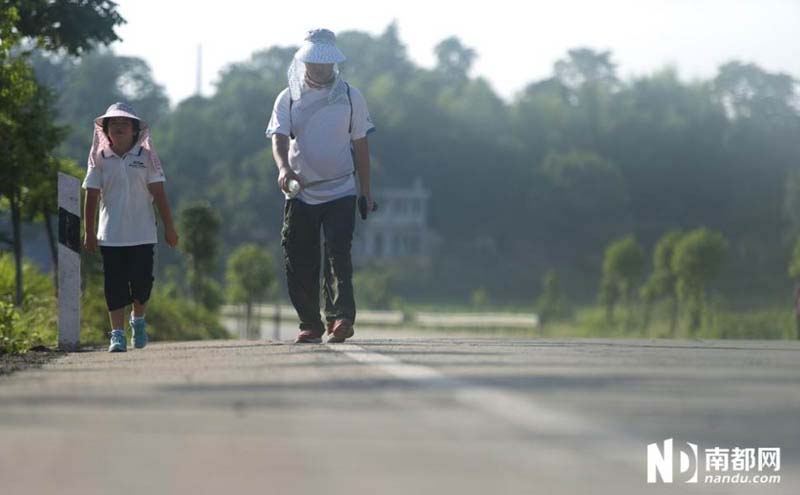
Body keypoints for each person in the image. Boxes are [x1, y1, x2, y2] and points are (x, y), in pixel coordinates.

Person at [266, 28, 376, 344]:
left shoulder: (351, 97)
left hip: (341, 188)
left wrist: (366, 191)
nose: (320, 69)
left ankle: (341, 318)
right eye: (314, 63)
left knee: (338, 254)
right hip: (301, 191)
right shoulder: (287, 98)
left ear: (334, 64)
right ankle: (310, 323)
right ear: (303, 63)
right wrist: (284, 168)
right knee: (299, 257)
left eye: (326, 63)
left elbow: (362, 146)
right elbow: (279, 139)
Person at [83, 102, 178, 352]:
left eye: (125, 123)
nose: (119, 127)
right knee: (114, 285)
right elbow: (91, 195)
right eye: (114, 123)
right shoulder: (99, 159)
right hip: (111, 235)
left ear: (135, 130)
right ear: (106, 130)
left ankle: (138, 321)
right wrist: (89, 231)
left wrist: (169, 227)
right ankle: (117, 334)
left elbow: (159, 194)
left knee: (142, 283)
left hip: (143, 234)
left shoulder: (146, 158)